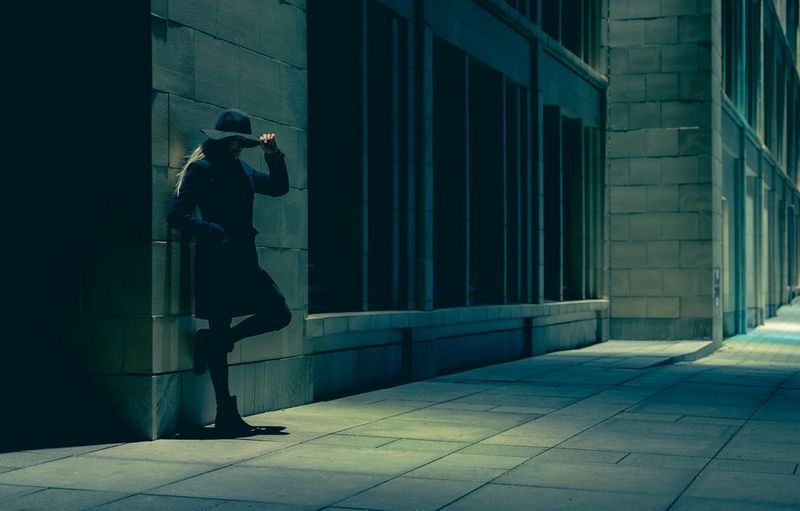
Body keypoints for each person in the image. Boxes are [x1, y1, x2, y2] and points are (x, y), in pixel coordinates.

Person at [167, 108, 292, 436]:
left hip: (245, 261)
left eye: (242, 142)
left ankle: (215, 341)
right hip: (216, 261)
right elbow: (177, 216)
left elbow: (279, 187)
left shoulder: (244, 170)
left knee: (279, 312)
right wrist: (212, 230)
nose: (238, 147)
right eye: (234, 141)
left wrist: (273, 154)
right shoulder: (201, 169)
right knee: (220, 325)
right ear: (221, 140)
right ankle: (226, 413)